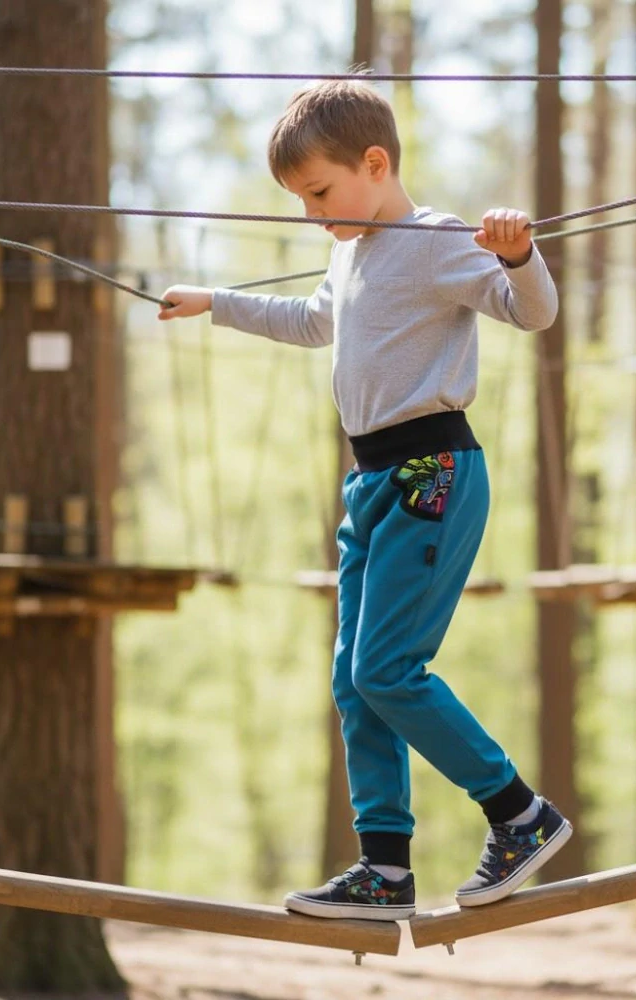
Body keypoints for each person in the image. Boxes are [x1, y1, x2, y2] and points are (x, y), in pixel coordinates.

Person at [159, 80, 571, 921]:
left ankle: (519, 814)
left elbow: (530, 313)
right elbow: (315, 323)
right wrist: (217, 304)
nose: (312, 215)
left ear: (375, 164)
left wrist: (518, 255)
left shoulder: (434, 239)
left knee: (387, 668)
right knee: (354, 681)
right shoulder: (349, 250)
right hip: (372, 482)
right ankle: (383, 870)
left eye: (319, 193)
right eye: (301, 201)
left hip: (434, 474)